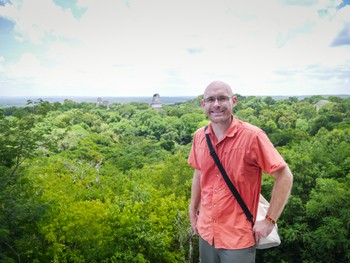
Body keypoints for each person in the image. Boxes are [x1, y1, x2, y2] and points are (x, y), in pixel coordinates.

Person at [188, 81, 293, 263]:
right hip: (206, 232)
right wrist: (192, 212)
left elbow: (284, 176)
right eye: (211, 99)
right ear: (203, 104)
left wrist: (269, 220)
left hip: (237, 237)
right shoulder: (199, 137)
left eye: (222, 98)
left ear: (234, 101)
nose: (217, 104)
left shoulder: (252, 136)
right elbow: (199, 174)